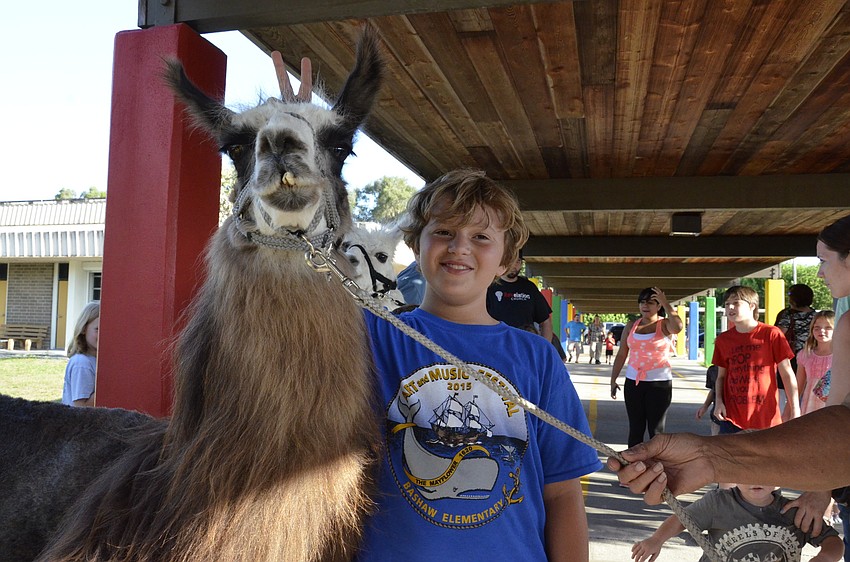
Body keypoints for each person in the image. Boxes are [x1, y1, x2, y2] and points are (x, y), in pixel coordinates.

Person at [360, 168, 602, 562]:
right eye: (443, 232)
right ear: (416, 245)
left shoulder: (538, 358)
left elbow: (562, 493)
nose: (459, 247)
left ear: (506, 261)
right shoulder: (372, 336)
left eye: (481, 237)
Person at [607, 216, 850, 507]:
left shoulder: (776, 333)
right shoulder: (846, 323)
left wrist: (709, 457)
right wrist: (708, 456)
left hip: (745, 409)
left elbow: (834, 423)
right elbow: (841, 425)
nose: (820, 273)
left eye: (823, 260)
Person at [632, 482, 843, 562]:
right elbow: (682, 520)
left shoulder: (792, 512)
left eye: (765, 470)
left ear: (780, 476)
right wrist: (656, 539)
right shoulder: (718, 502)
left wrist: (824, 557)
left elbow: (833, 541)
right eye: (747, 471)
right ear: (733, 473)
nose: (756, 478)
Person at [712, 285, 799, 432]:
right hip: (731, 418)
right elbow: (721, 376)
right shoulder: (723, 340)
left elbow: (786, 373)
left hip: (765, 418)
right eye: (727, 304)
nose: (730, 307)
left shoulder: (772, 334)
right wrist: (718, 402)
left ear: (752, 306)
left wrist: (795, 409)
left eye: (736, 303)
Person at [610, 287, 683, 448]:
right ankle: (633, 464)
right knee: (636, 428)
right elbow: (622, 354)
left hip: (659, 384)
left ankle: (656, 465)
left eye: (651, 302)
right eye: (642, 302)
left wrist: (666, 302)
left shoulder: (664, 324)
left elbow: (678, 326)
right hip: (633, 382)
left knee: (656, 431)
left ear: (658, 306)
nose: (645, 306)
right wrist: (613, 379)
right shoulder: (631, 325)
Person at [486, 250, 553, 342]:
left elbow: (545, 321)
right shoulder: (489, 286)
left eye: (518, 261)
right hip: (496, 344)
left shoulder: (529, 288)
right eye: (511, 260)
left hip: (524, 344)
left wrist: (544, 349)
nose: (514, 265)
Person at [61, 302, 100, 407]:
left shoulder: (96, 360)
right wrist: (108, 386)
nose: (103, 334)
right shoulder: (82, 363)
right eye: (98, 329)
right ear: (83, 329)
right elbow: (80, 407)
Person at [797, 310, 835, 415]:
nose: (821, 331)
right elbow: (798, 387)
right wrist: (791, 409)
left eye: (828, 328)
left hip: (832, 409)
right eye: (817, 328)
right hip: (809, 408)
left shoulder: (842, 355)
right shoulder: (805, 355)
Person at [775, 283, 816, 374]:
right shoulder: (815, 315)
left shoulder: (787, 314)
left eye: (789, 294)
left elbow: (778, 335)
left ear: (794, 298)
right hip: (812, 354)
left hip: (792, 357)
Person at [695, 364, 721, 435]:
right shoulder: (713, 370)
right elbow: (713, 390)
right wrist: (705, 406)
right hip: (717, 417)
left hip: (738, 418)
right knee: (717, 443)